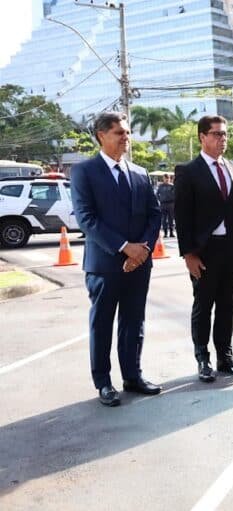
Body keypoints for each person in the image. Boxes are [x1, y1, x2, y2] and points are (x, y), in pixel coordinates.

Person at [70, 111, 162, 407]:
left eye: (126, 132)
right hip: (105, 264)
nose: (126, 137)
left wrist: (142, 249)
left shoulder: (140, 172)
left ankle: (132, 376)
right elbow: (87, 219)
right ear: (101, 135)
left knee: (134, 322)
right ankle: (104, 382)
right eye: (119, 133)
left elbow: (154, 214)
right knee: (103, 323)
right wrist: (125, 247)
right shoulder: (84, 172)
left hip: (140, 263)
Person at [174, 115, 233, 382]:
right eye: (217, 134)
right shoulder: (188, 171)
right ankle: (203, 359)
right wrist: (189, 254)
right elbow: (182, 216)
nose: (223, 139)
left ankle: (225, 357)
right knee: (204, 304)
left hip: (231, 249)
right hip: (204, 251)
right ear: (202, 137)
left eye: (225, 134)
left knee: (227, 306)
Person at [156, 173, 175, 238]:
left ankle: (171, 232)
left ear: (169, 179)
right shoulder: (160, 186)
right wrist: (160, 199)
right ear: (163, 179)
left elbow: (176, 194)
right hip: (163, 204)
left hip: (171, 204)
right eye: (165, 178)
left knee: (171, 219)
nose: (167, 179)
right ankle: (165, 233)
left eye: (168, 178)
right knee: (164, 219)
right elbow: (157, 194)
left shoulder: (172, 186)